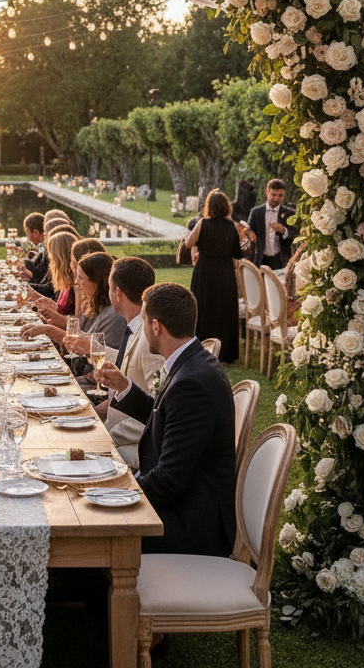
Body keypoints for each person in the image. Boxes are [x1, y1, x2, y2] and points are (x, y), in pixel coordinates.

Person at [98, 282, 236, 557]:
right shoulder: (192, 362)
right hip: (183, 506)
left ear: (156, 326)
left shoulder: (192, 383)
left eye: (145, 322)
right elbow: (165, 417)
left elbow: (169, 481)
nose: (143, 329)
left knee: (94, 535)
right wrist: (126, 387)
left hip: (189, 527)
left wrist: (113, 491)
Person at [73, 256, 163, 470]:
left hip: (132, 448)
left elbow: (159, 410)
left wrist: (109, 435)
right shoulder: (137, 326)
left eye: (110, 287)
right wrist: (97, 349)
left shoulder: (151, 337)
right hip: (117, 431)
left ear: (118, 293)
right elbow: (129, 362)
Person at [184, 189, 243, 362]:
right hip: (225, 272)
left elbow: (188, 243)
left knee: (204, 307)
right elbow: (237, 253)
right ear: (226, 207)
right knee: (223, 309)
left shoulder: (203, 223)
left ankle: (202, 347)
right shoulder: (231, 226)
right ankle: (225, 352)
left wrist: (200, 245)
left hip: (206, 271)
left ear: (209, 206)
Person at [247, 178, 296, 270]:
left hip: (281, 260)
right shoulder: (256, 212)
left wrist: (284, 230)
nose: (276, 198)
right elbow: (249, 234)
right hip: (260, 260)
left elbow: (296, 234)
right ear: (267, 192)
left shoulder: (290, 213)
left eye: (280, 195)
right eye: (273, 194)